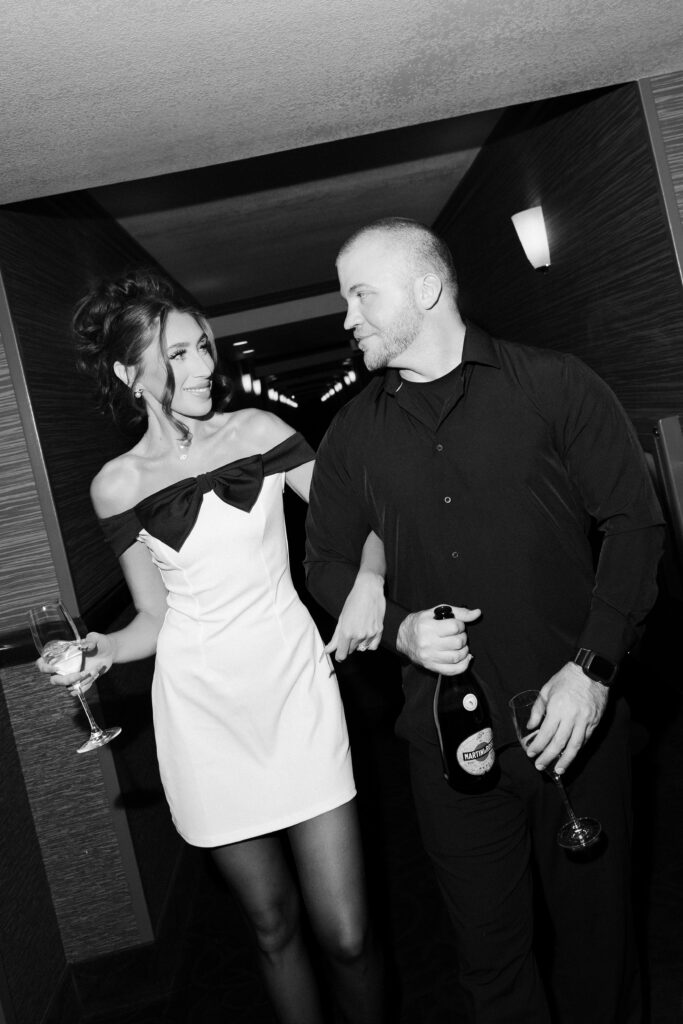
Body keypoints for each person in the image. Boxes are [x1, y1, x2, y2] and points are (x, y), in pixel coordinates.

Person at [304, 218, 665, 1023]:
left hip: (573, 726)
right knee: (490, 967)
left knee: (599, 953)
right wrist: (398, 629)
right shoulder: (353, 434)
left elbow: (634, 527)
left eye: (360, 296)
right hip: (447, 747)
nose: (347, 318)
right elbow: (323, 560)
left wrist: (591, 671)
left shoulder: (554, 384)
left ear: (425, 288)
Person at [43, 269, 387, 1024]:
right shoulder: (115, 485)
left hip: (296, 689)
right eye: (178, 354)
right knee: (272, 926)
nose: (204, 366)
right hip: (203, 713)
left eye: (203, 346)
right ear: (129, 374)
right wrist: (102, 650)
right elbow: (153, 617)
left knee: (348, 933)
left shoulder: (257, 432)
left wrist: (369, 578)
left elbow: (364, 517)